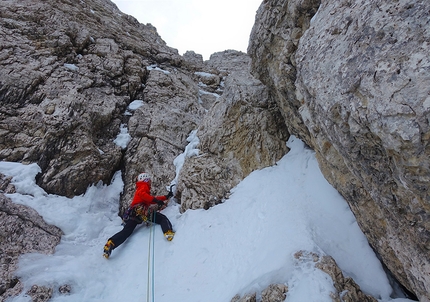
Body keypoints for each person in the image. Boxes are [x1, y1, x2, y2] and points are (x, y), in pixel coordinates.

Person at [103, 172, 174, 259]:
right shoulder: (143, 186)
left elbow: (148, 198)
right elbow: (144, 195)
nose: (150, 183)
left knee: (126, 231)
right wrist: (156, 201)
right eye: (149, 181)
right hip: (141, 210)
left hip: (133, 213)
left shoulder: (141, 188)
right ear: (146, 180)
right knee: (162, 218)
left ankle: (111, 243)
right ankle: (168, 232)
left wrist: (165, 197)